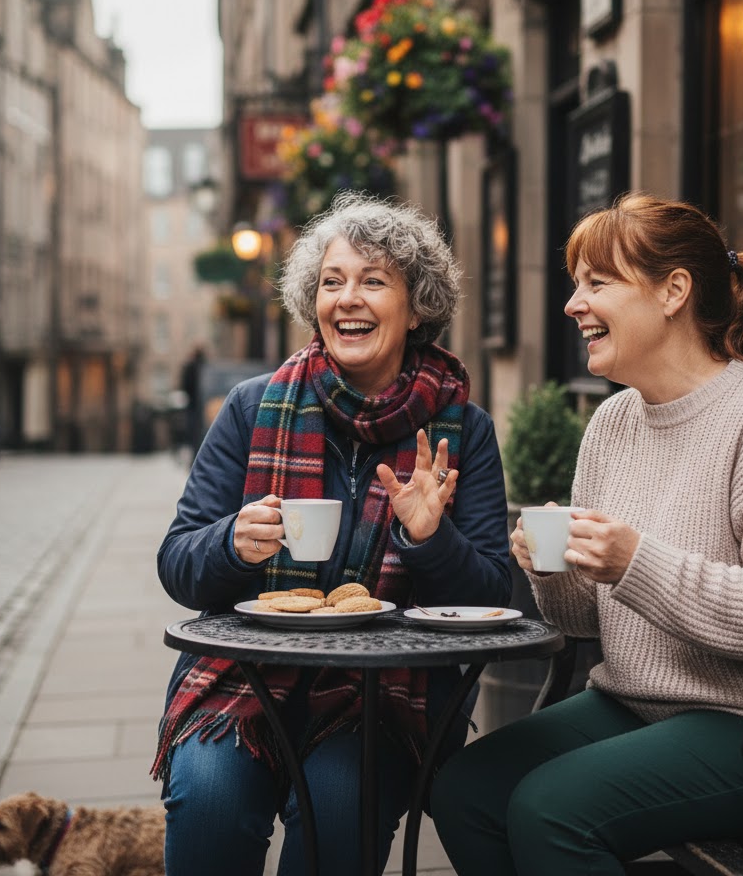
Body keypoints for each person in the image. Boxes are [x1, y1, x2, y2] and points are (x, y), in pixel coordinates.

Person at [430, 193, 743, 876]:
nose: (573, 304)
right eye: (575, 283)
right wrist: (558, 571)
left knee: (552, 810)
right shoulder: (613, 425)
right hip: (645, 707)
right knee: (466, 791)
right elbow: (587, 621)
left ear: (674, 291)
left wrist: (637, 562)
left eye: (597, 282)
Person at [151, 192, 512, 875]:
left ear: (417, 307)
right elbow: (178, 563)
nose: (349, 298)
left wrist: (431, 539)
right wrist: (232, 542)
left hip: (384, 696)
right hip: (246, 680)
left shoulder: (463, 430)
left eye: (374, 281)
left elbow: (495, 594)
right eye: (332, 282)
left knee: (341, 808)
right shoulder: (253, 406)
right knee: (209, 802)